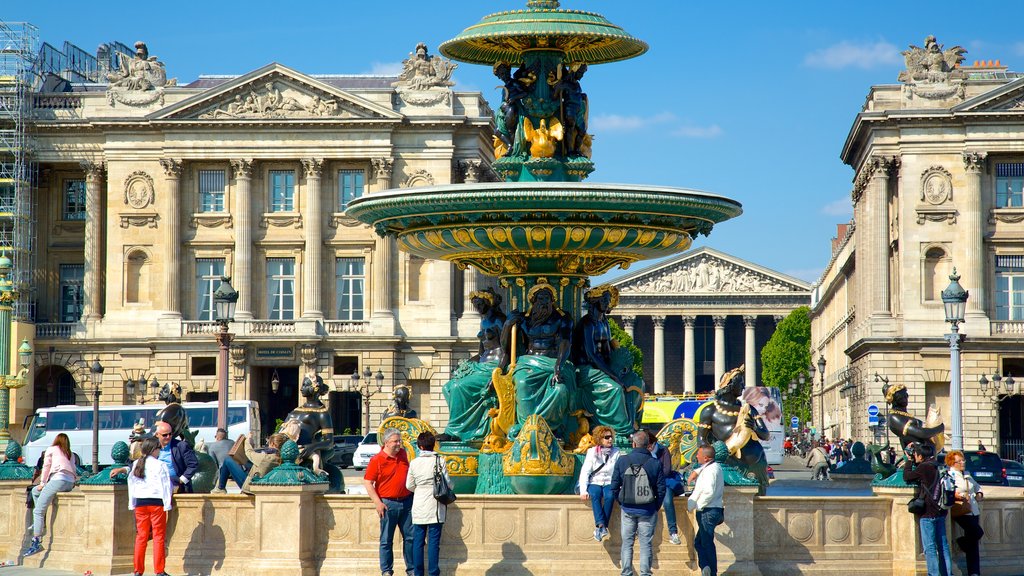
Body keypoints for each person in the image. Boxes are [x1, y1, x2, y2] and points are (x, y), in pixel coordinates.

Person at [500, 283, 576, 439]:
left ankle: (552, 428)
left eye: (547, 298)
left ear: (552, 301)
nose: (544, 302)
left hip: (554, 361)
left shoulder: (563, 318)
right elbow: (505, 346)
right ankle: (526, 426)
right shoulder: (523, 319)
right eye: (540, 298)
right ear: (533, 301)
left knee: (560, 390)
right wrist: (508, 325)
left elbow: (565, 342)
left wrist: (558, 366)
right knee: (522, 383)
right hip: (528, 362)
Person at [442, 288, 506, 442]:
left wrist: (498, 373)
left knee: (458, 388)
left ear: (488, 302)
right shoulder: (483, 321)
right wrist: (465, 364)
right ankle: (467, 427)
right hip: (482, 364)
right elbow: (481, 351)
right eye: (475, 304)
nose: (477, 307)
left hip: (494, 365)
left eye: (480, 304)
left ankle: (454, 431)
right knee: (448, 387)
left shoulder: (499, 320)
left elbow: (508, 350)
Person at [609, 430, 665, 576]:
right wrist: (655, 507)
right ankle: (645, 573)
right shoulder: (655, 463)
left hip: (628, 508)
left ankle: (627, 572)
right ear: (648, 445)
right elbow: (661, 489)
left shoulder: (622, 461)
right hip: (647, 509)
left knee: (627, 543)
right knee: (646, 543)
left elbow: (614, 486)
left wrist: (621, 502)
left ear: (633, 444)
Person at [364, 428, 414, 576]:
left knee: (410, 538)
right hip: (387, 504)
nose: (399, 444)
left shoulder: (403, 454)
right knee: (386, 540)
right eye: (395, 441)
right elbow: (368, 482)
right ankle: (386, 570)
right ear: (386, 443)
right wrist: (378, 503)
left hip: (406, 502)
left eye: (400, 441)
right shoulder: (377, 460)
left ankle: (411, 570)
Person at [405, 432, 452, 576]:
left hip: (419, 505)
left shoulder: (414, 463)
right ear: (433, 445)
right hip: (435, 506)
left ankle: (418, 572)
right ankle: (433, 572)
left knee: (418, 542)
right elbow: (448, 483)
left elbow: (409, 485)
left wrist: (420, 489)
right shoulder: (440, 460)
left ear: (420, 446)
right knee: (433, 543)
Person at [24, 433, 79, 557]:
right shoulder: (70, 453)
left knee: (38, 511)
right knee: (35, 491)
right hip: (69, 482)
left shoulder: (52, 449)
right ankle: (41, 521)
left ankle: (37, 541)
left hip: (57, 480)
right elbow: (74, 469)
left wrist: (43, 483)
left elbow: (46, 467)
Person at [903, 442, 952, 576]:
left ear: (920, 456)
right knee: (943, 546)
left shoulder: (924, 468)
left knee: (930, 547)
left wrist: (908, 461)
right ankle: (947, 573)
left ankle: (934, 574)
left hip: (928, 512)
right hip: (941, 510)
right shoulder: (938, 465)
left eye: (916, 455)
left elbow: (907, 476)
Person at [127, 436, 173, 576]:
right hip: (156, 503)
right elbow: (166, 486)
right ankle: (159, 570)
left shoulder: (136, 464)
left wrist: (132, 503)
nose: (160, 450)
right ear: (154, 449)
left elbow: (131, 484)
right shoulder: (160, 465)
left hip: (140, 503)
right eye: (159, 448)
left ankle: (138, 570)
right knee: (158, 536)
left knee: (141, 536)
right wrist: (167, 504)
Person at [578, 425, 621, 542]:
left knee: (610, 496)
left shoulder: (616, 452)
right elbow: (585, 472)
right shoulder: (592, 452)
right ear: (600, 439)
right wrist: (583, 490)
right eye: (607, 437)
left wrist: (619, 485)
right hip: (595, 481)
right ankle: (602, 525)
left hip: (609, 482)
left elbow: (618, 472)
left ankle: (600, 527)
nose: (610, 439)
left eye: (611, 437)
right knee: (595, 495)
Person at [687, 445, 725, 576]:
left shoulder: (711, 471)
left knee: (706, 542)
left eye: (698, 454)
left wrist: (698, 505)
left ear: (706, 457)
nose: (696, 456)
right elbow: (704, 469)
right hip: (712, 509)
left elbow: (709, 492)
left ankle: (709, 570)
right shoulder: (712, 467)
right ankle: (707, 568)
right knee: (701, 541)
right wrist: (696, 472)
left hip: (707, 511)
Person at [945, 450, 984, 576]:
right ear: (952, 463)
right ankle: (961, 542)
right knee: (978, 532)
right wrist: (959, 496)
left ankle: (974, 572)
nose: (962, 463)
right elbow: (948, 491)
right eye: (959, 461)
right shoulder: (949, 475)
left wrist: (979, 494)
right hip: (961, 510)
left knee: (973, 544)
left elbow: (977, 486)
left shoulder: (967, 474)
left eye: (963, 460)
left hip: (973, 510)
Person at [212, 433, 286, 494]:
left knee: (228, 460)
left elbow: (249, 452)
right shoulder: (281, 458)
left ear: (273, 444)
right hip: (264, 488)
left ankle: (220, 488)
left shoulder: (267, 458)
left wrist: (247, 440)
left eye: (269, 443)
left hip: (251, 488)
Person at [646, 430, 681, 546]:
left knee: (667, 501)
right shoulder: (643, 452)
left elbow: (666, 470)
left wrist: (653, 474)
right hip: (649, 483)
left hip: (665, 482)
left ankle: (673, 532)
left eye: (650, 445)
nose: (649, 448)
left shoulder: (663, 450)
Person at [155, 420, 198, 493]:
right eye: (165, 435)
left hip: (178, 485)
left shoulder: (181, 446)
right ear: (157, 435)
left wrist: (182, 480)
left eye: (170, 434)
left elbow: (193, 464)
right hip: (157, 485)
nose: (168, 437)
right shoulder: (152, 447)